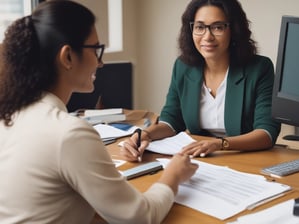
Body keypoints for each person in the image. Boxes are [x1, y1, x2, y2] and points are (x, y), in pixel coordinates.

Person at [0, 1, 198, 223]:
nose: (101, 63)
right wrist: (173, 175)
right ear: (67, 57)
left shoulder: (11, 116)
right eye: (96, 49)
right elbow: (140, 217)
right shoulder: (69, 134)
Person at [121, 0, 281, 161]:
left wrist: (219, 144)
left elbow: (266, 133)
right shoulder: (183, 67)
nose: (207, 36)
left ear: (234, 30)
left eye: (218, 27)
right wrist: (144, 135)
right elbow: (171, 120)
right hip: (200, 159)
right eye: (200, 27)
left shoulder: (259, 68)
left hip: (245, 159)